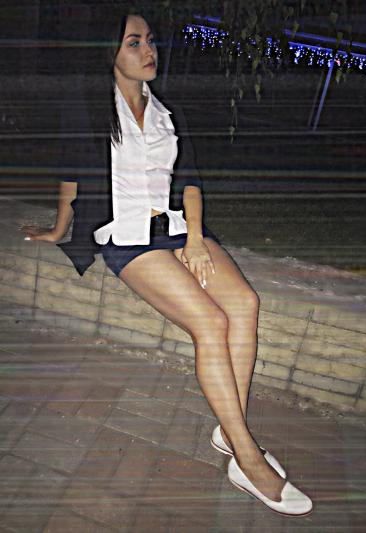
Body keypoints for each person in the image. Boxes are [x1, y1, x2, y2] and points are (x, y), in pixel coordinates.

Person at [20, 6, 312, 516]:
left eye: (150, 40)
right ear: (110, 53)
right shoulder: (89, 110)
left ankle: (229, 431)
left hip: (176, 228)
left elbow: (190, 179)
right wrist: (59, 229)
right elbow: (71, 173)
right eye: (134, 42)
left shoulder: (166, 113)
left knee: (245, 303)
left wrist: (194, 239)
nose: (149, 51)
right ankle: (246, 457)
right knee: (210, 322)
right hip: (128, 239)